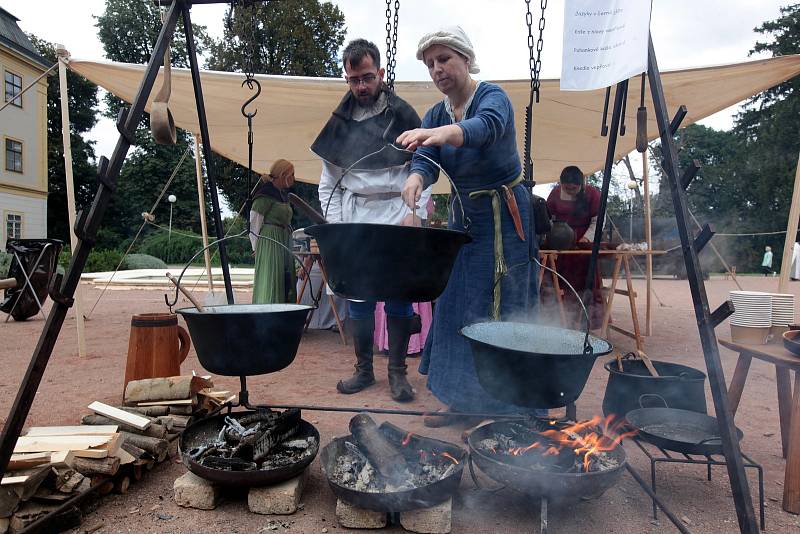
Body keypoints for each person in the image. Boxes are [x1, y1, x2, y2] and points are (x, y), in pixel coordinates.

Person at [397, 26, 539, 426]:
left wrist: (442, 134)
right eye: (430, 64)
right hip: (464, 219)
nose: (437, 69)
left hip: (504, 219)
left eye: (444, 59)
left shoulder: (492, 98)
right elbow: (425, 159)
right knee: (458, 303)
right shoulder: (435, 114)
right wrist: (416, 178)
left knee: (502, 304)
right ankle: (460, 399)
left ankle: (506, 407)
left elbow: (484, 129)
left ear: (464, 58)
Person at [311, 39, 430, 402]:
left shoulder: (404, 115)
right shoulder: (340, 122)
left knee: (398, 294)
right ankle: (364, 370)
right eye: (352, 80)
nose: (360, 87)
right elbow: (328, 182)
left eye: (366, 77)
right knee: (358, 296)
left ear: (379, 73)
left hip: (397, 213)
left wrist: (415, 215)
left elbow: (423, 170)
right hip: (355, 217)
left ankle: (397, 374)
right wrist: (337, 229)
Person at [546, 166, 603, 327]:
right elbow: (548, 218)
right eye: (566, 187)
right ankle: (558, 320)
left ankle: (586, 323)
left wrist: (586, 238)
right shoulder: (555, 194)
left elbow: (598, 220)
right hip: (561, 246)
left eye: (574, 188)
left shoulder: (592, 194)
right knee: (559, 283)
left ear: (581, 184)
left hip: (583, 246)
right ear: (561, 184)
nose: (570, 190)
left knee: (586, 283)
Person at [249, 159, 297, 304]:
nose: (294, 178)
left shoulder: (281, 194)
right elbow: (254, 223)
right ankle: (268, 314)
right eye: (292, 174)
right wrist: (256, 247)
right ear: (283, 175)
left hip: (283, 241)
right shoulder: (265, 195)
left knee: (285, 278)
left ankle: (284, 314)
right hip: (271, 242)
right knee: (272, 278)